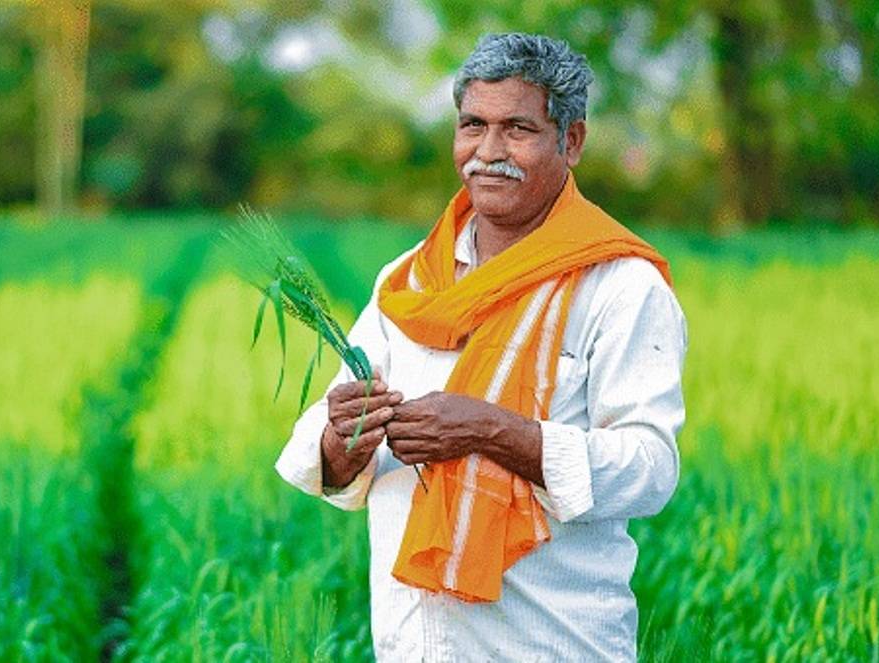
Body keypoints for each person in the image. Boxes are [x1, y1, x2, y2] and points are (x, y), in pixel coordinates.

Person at [275, 32, 687, 661]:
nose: (488, 152)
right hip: (413, 640)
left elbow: (650, 467)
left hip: (551, 642)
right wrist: (343, 435)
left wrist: (494, 432)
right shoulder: (407, 278)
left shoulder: (620, 286)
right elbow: (329, 446)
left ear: (570, 141)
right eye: (473, 125)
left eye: (518, 128)